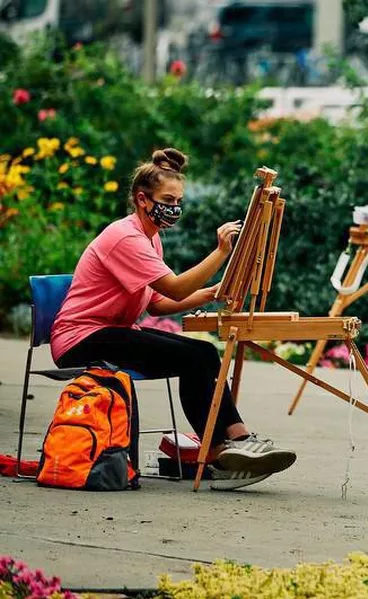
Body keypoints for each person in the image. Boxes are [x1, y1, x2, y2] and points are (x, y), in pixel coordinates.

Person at [50, 148, 297, 490]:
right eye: (168, 199)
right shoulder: (125, 237)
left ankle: (235, 440)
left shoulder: (151, 240)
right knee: (194, 356)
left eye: (179, 199)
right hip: (80, 339)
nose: (175, 207)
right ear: (142, 199)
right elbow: (177, 290)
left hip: (110, 332)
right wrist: (222, 253)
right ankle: (219, 451)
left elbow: (158, 304)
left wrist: (215, 293)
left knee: (205, 354)